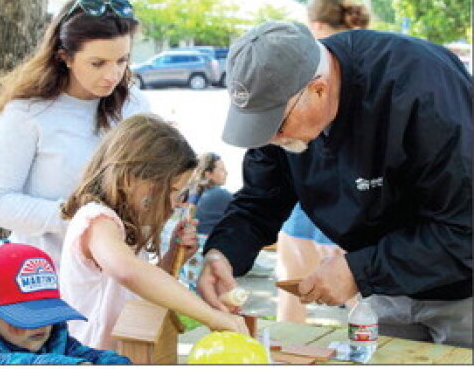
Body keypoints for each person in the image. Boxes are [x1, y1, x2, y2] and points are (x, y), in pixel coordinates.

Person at [198, 21, 472, 347]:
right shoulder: (280, 120)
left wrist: (359, 271)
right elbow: (260, 199)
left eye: (277, 123)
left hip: (463, 287)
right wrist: (222, 253)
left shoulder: (422, 90)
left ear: (319, 89)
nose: (271, 138)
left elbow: (464, 227)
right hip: (383, 286)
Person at [0, 0, 150, 267]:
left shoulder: (135, 104)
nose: (112, 75)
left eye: (121, 60)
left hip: (121, 275)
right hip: (48, 277)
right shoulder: (27, 113)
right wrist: (81, 216)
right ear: (64, 56)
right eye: (97, 63)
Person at [58, 114, 248, 350]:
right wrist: (211, 316)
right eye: (171, 190)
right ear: (129, 177)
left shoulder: (124, 227)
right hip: (89, 358)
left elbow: (139, 290)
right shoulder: (97, 220)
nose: (175, 202)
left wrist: (173, 257)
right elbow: (129, 272)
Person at [277, 0, 370, 323]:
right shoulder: (367, 62)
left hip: (323, 209)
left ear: (315, 25)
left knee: (295, 293)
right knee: (362, 303)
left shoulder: (308, 65)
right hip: (352, 206)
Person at [0, 240, 130, 364]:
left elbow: (93, 357)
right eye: (27, 317)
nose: (43, 325)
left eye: (49, 314)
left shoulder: (57, 339)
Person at [176, 152, 233, 290]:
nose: (226, 173)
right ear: (208, 174)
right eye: (221, 169)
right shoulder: (220, 194)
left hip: (189, 253)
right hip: (207, 250)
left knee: (194, 291)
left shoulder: (193, 193)